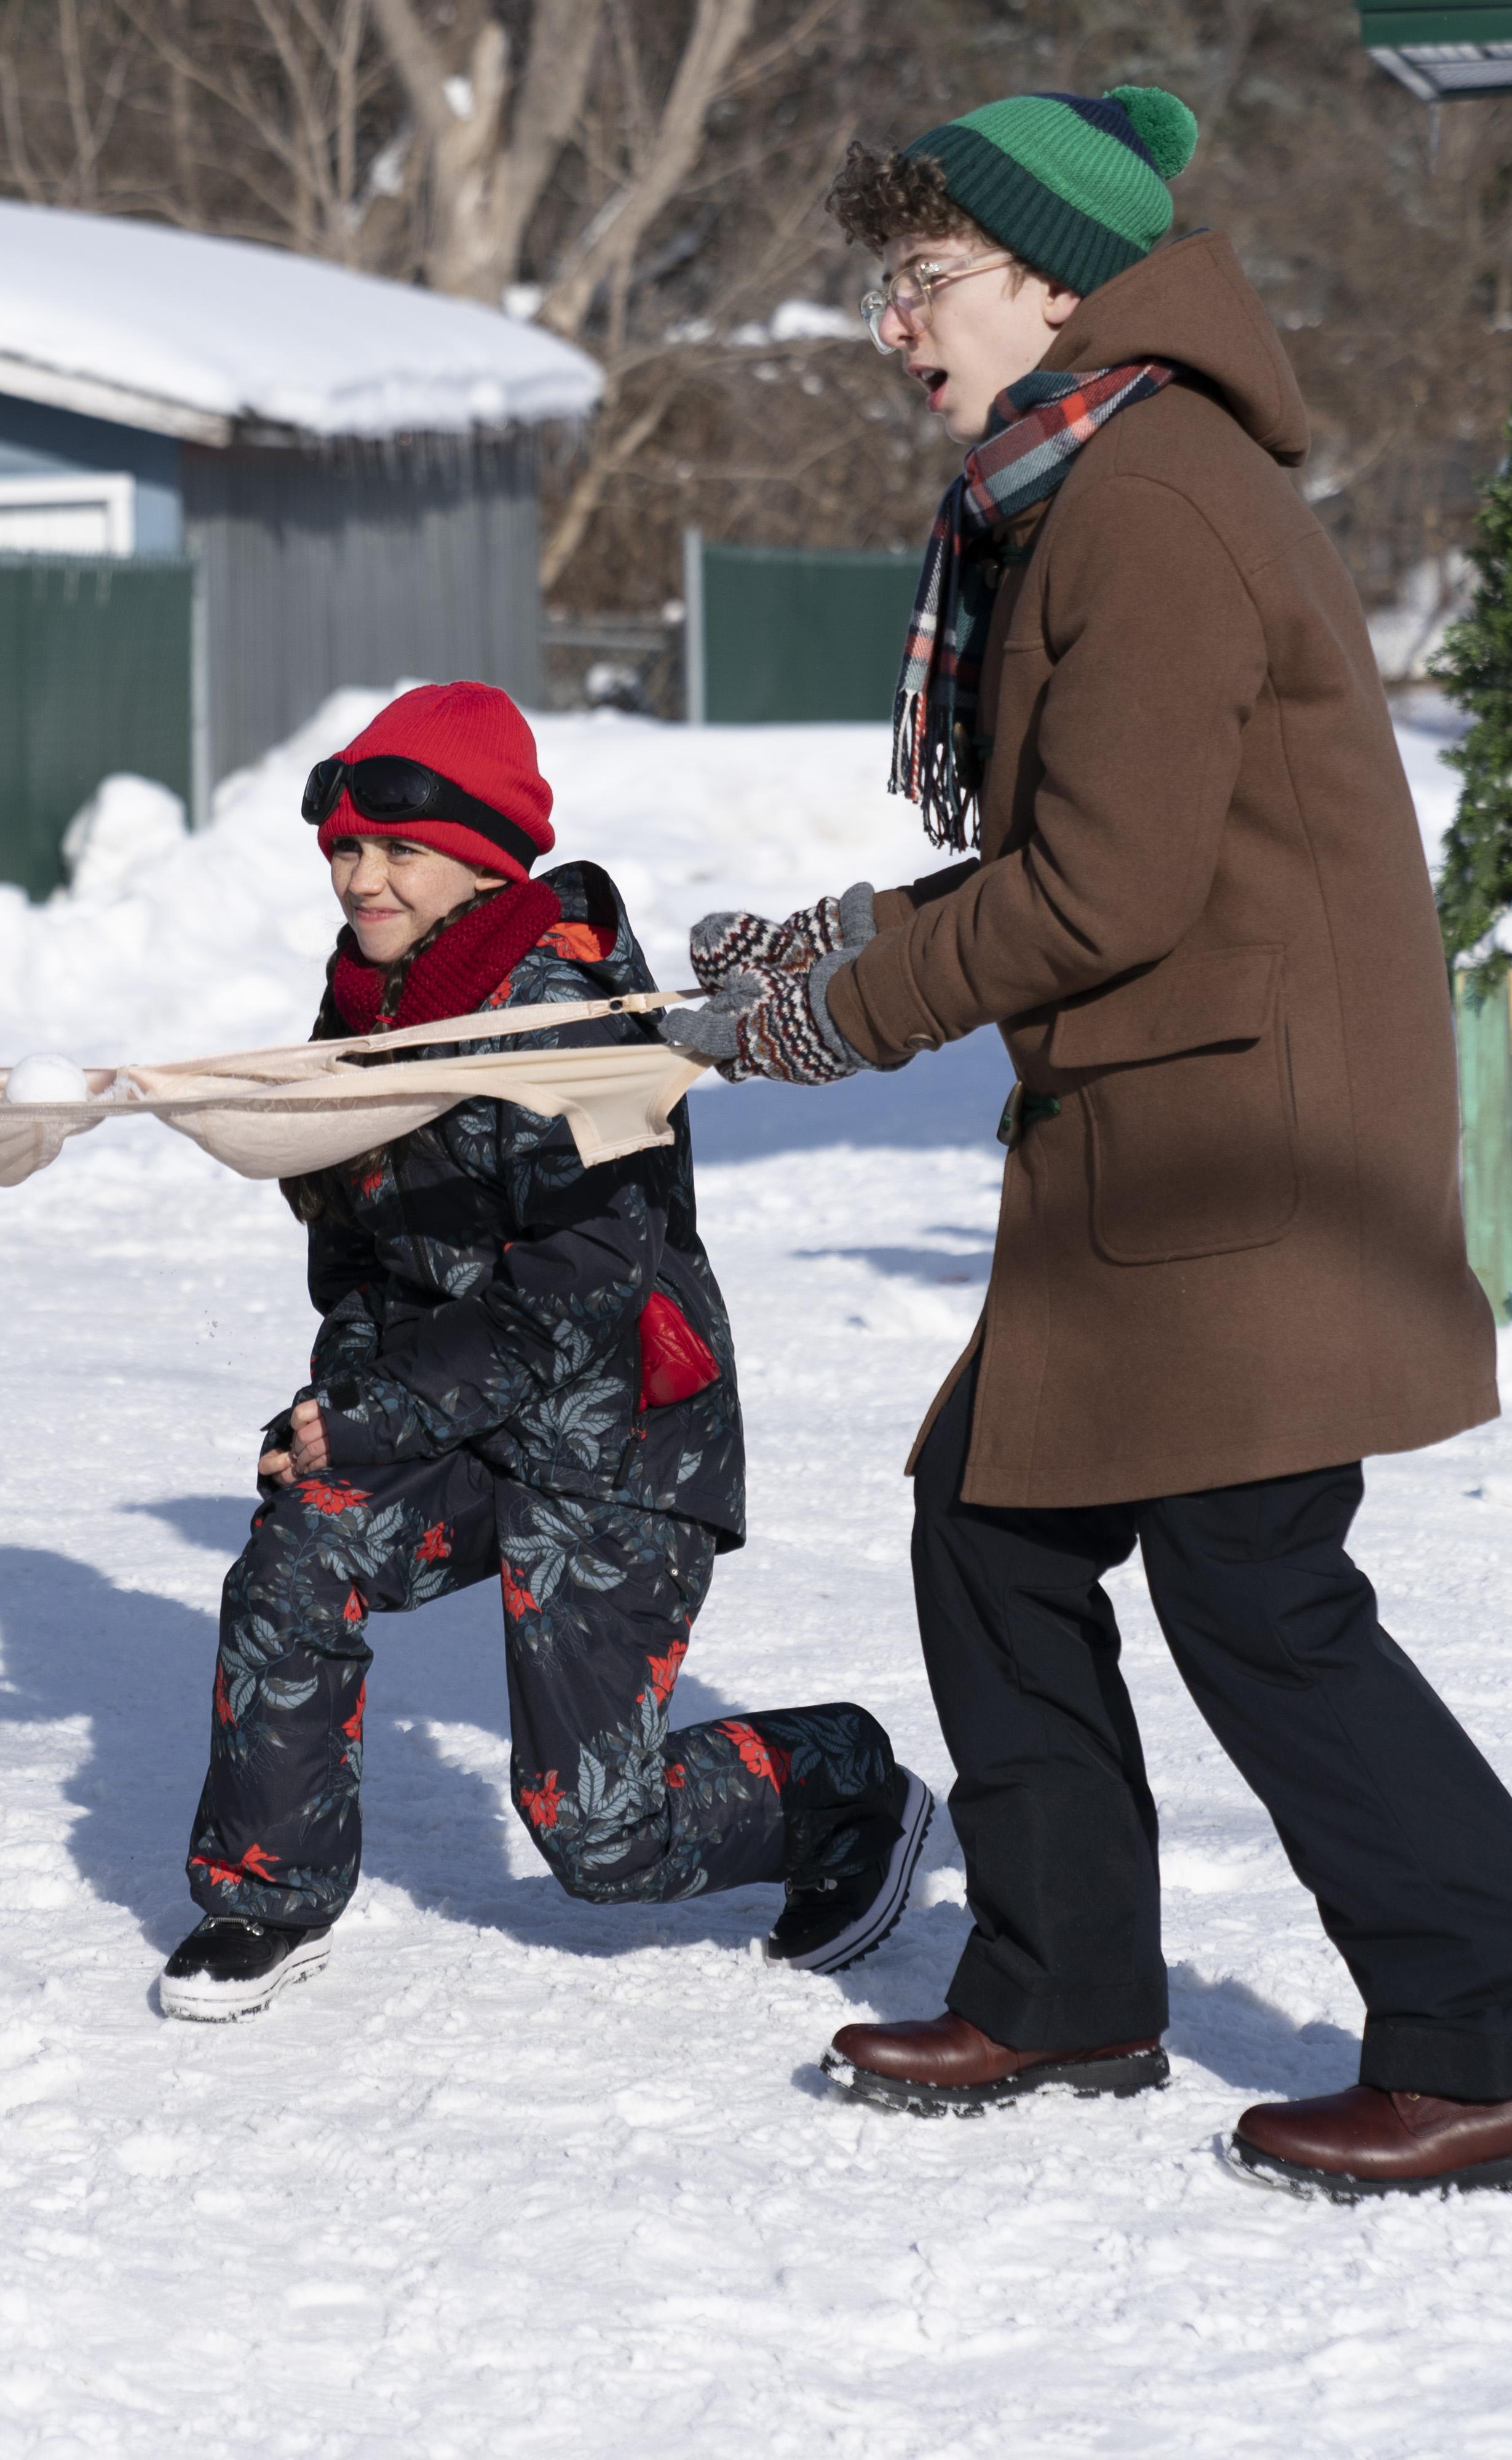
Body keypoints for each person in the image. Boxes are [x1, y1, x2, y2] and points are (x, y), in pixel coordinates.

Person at [667, 88, 1512, 2198]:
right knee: (992, 1527)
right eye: (886, 285)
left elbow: (1102, 891)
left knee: (1258, 1588)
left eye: (925, 280)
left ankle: (1506, 2042)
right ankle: (1069, 1984)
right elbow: (1085, 844)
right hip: (1164, 1133)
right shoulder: (1091, 482)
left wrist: (842, 1012)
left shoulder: (1151, 502)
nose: (894, 324)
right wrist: (834, 946)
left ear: (1055, 282)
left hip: (1244, 1153)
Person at [161, 681, 933, 2022]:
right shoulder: (368, 1008)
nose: (362, 877)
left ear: (483, 860)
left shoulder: (572, 1018)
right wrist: (343, 1407)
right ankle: (265, 1898)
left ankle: (846, 1783)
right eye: (347, 848)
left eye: (399, 849)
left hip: (616, 1435)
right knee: (299, 1549)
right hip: (458, 1420)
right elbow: (361, 1258)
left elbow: (584, 1284)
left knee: (600, 1834)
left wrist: (385, 1409)